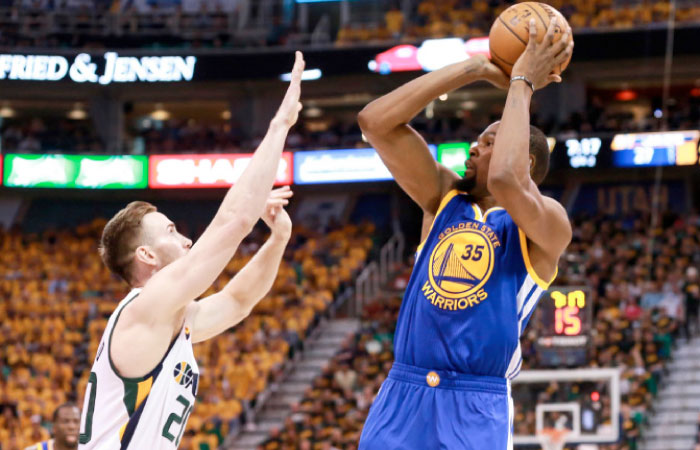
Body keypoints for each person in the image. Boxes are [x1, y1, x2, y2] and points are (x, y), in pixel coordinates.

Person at [357, 19, 573, 449]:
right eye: (477, 140)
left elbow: (509, 180)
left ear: (528, 161)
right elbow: (374, 123)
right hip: (404, 391)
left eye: (489, 141)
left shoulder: (547, 222)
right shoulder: (443, 198)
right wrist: (472, 69)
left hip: (475, 401)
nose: (475, 147)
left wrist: (522, 83)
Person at [77, 52, 305, 449]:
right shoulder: (145, 307)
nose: (186, 240)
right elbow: (233, 220)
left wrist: (278, 240)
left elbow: (238, 301)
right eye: (171, 231)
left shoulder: (171, 317)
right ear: (146, 256)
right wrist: (279, 124)